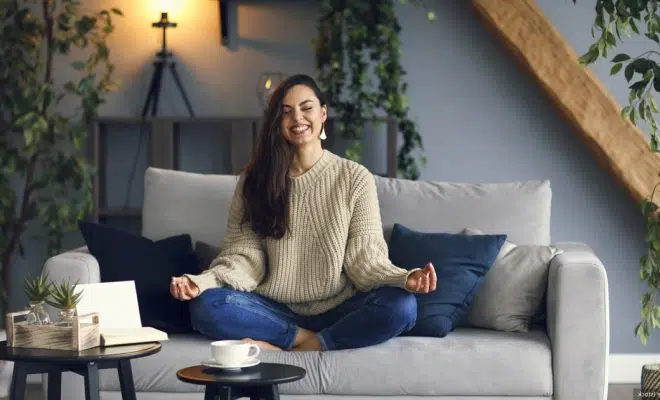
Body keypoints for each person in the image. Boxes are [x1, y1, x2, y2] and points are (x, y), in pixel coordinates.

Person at [170, 74, 437, 352]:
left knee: (403, 306)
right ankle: (303, 339)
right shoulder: (254, 180)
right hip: (274, 311)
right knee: (207, 306)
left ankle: (301, 345)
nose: (297, 118)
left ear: (323, 113)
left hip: (340, 308)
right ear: (277, 122)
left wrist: (403, 278)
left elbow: (365, 258)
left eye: (306, 108)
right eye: (286, 111)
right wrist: (202, 282)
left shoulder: (355, 177)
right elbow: (244, 258)